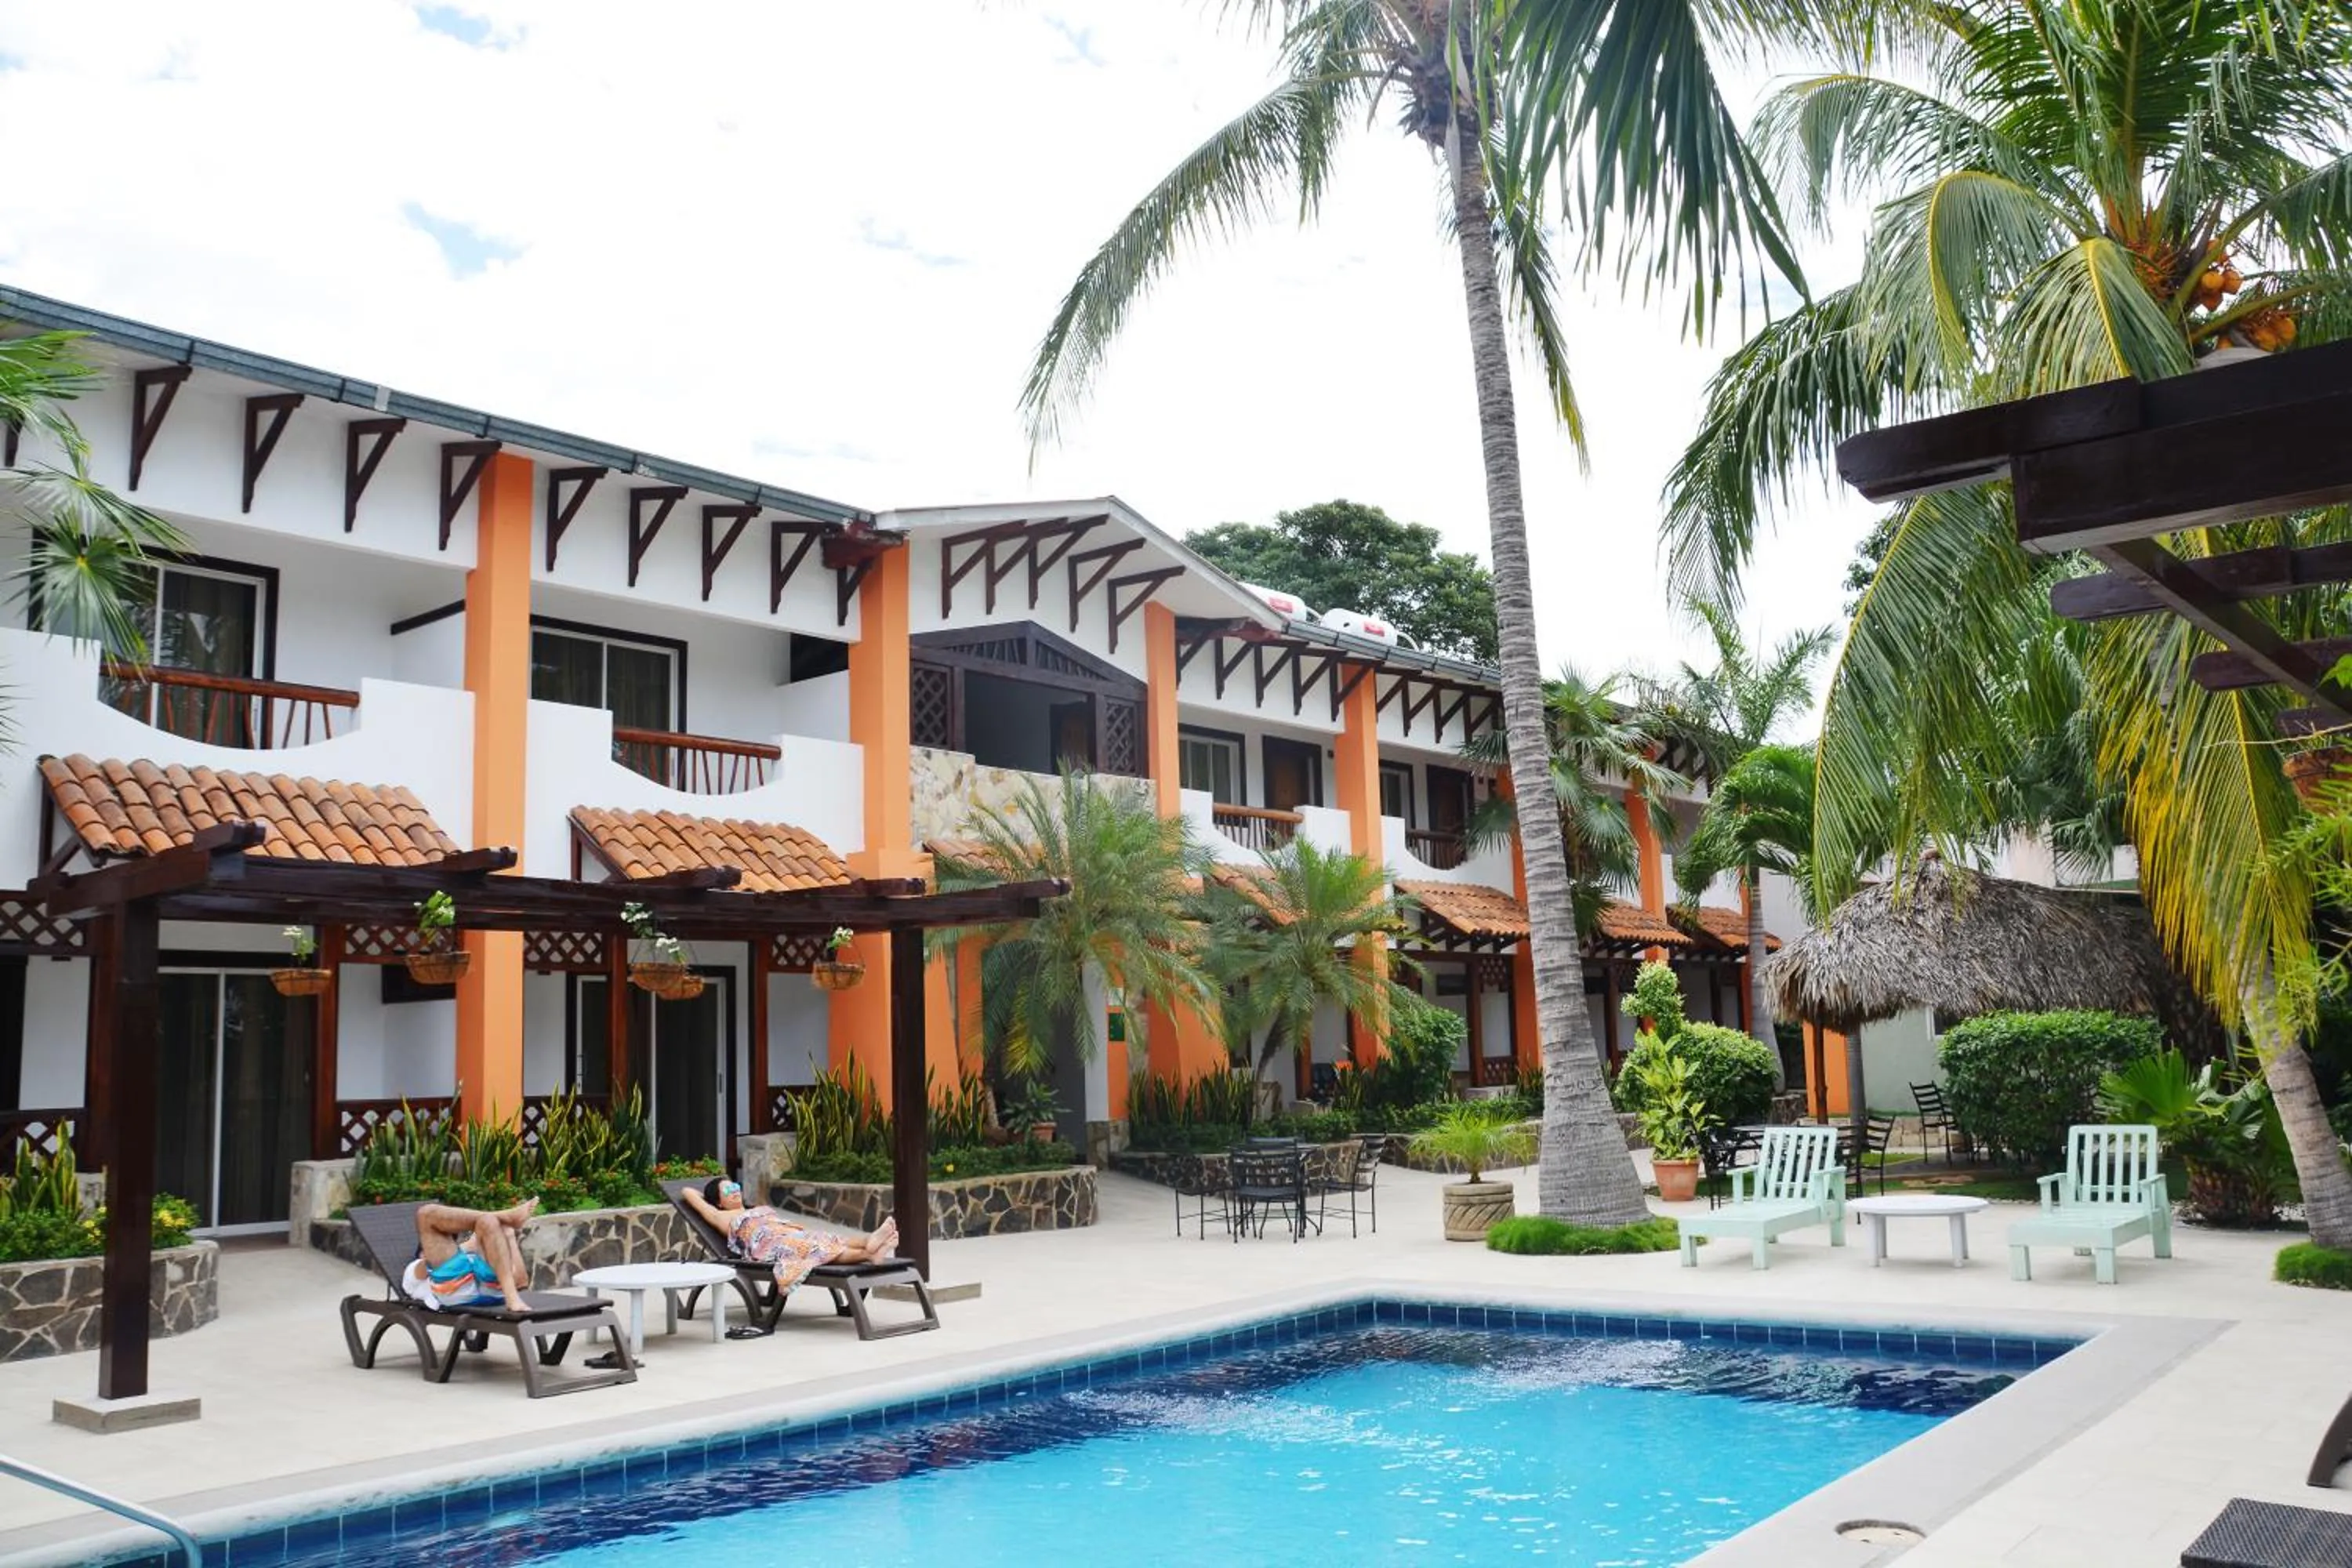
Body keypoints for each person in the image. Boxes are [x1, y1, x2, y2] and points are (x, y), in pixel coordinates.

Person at [681, 1178, 899, 1293]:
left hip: (784, 1231)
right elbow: (687, 1192)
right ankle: (868, 1254)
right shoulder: (720, 1216)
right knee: (812, 1248)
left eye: (736, 1186)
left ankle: (868, 1243)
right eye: (728, 1191)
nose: (735, 1191)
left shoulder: (749, 1209)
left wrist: (724, 1188)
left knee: (823, 1237)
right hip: (771, 1244)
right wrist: (709, 1198)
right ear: (719, 1201)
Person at [401, 1197, 538, 1314]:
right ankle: (502, 1216)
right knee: (425, 1214)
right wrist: (467, 1246)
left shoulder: (471, 1256)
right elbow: (425, 1265)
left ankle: (512, 1298)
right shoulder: (412, 1270)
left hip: (493, 1289)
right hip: (456, 1291)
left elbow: (521, 1282)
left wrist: (508, 1236)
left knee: (488, 1222)